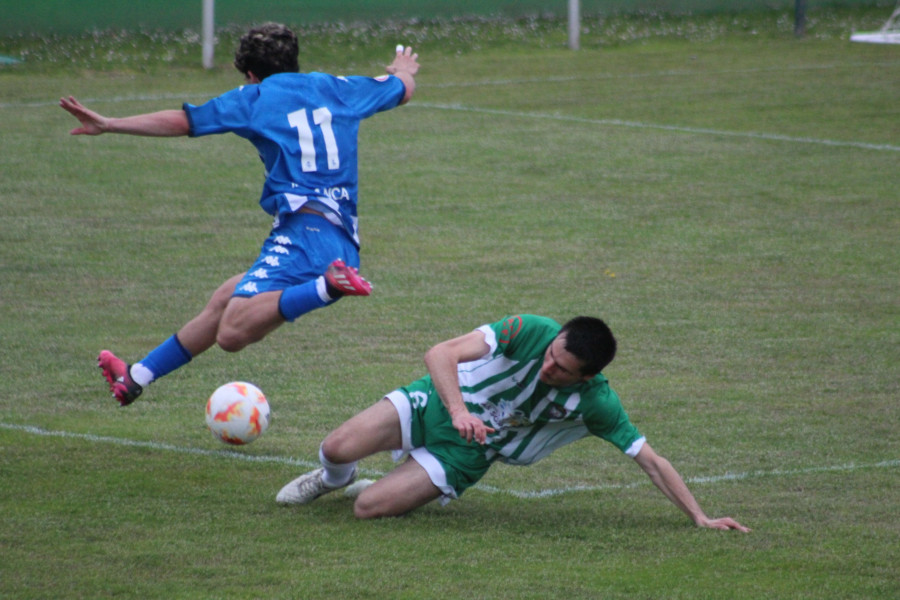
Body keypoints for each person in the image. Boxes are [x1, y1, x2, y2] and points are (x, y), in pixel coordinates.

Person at [59, 23, 420, 406]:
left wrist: (111, 124)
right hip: (337, 234)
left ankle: (328, 285)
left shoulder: (255, 98)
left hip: (305, 232)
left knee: (232, 332)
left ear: (250, 74)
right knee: (226, 298)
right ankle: (136, 377)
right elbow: (402, 89)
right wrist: (402, 70)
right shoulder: (337, 86)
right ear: (293, 62)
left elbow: (184, 121)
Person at [276, 314, 750, 531]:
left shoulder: (597, 403)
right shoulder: (528, 330)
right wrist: (459, 410)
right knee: (337, 447)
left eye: (562, 371)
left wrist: (700, 517)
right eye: (551, 357)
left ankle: (398, 483)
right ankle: (334, 479)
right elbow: (439, 353)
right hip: (436, 403)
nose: (549, 368)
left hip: (468, 451)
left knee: (369, 511)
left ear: (587, 376)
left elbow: (650, 460)